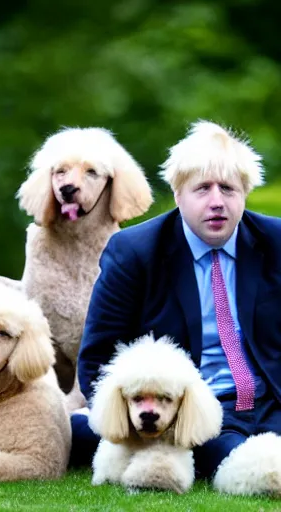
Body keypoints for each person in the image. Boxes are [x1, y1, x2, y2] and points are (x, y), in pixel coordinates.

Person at [72, 120, 281, 495]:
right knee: (249, 466)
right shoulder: (135, 252)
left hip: (272, 400)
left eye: (229, 189)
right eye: (202, 189)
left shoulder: (276, 242)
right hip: (190, 414)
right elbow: (98, 359)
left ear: (245, 194)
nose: (217, 201)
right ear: (178, 193)